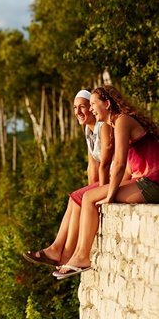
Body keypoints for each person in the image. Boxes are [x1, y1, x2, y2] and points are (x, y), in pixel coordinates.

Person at [54, 85, 159, 279]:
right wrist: (109, 190)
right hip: (144, 181)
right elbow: (128, 167)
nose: (91, 108)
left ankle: (82, 257)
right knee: (88, 197)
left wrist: (110, 196)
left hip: (153, 184)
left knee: (88, 198)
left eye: (94, 104)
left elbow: (118, 163)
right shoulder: (117, 124)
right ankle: (78, 255)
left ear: (107, 104)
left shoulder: (122, 122)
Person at [23, 89, 113, 267]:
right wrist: (89, 190)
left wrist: (94, 192)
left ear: (92, 108)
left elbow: (108, 162)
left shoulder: (104, 127)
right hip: (103, 179)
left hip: (113, 179)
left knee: (77, 198)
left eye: (83, 107)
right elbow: (92, 166)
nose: (78, 111)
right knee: (76, 198)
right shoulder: (88, 131)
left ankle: (62, 253)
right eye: (75, 107)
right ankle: (58, 250)